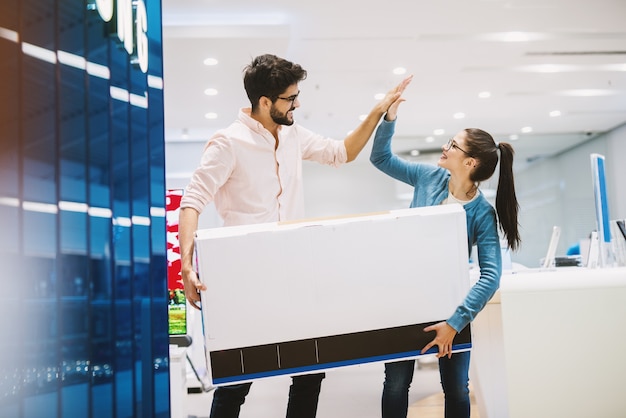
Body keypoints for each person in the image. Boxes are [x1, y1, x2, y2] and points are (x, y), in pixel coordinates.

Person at [179, 53, 412, 418]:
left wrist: (379, 109)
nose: (297, 104)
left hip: (294, 274)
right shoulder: (228, 143)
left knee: (310, 371)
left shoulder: (293, 136)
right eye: (290, 98)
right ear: (265, 101)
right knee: (237, 382)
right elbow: (191, 201)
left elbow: (343, 152)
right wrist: (186, 266)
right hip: (247, 279)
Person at [369, 88, 520, 418]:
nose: (444, 147)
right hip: (404, 302)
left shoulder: (481, 213)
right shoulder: (428, 177)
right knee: (395, 385)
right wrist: (390, 117)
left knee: (456, 389)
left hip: (452, 309)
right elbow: (380, 159)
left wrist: (455, 322)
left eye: (453, 144)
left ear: (469, 162)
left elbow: (491, 275)